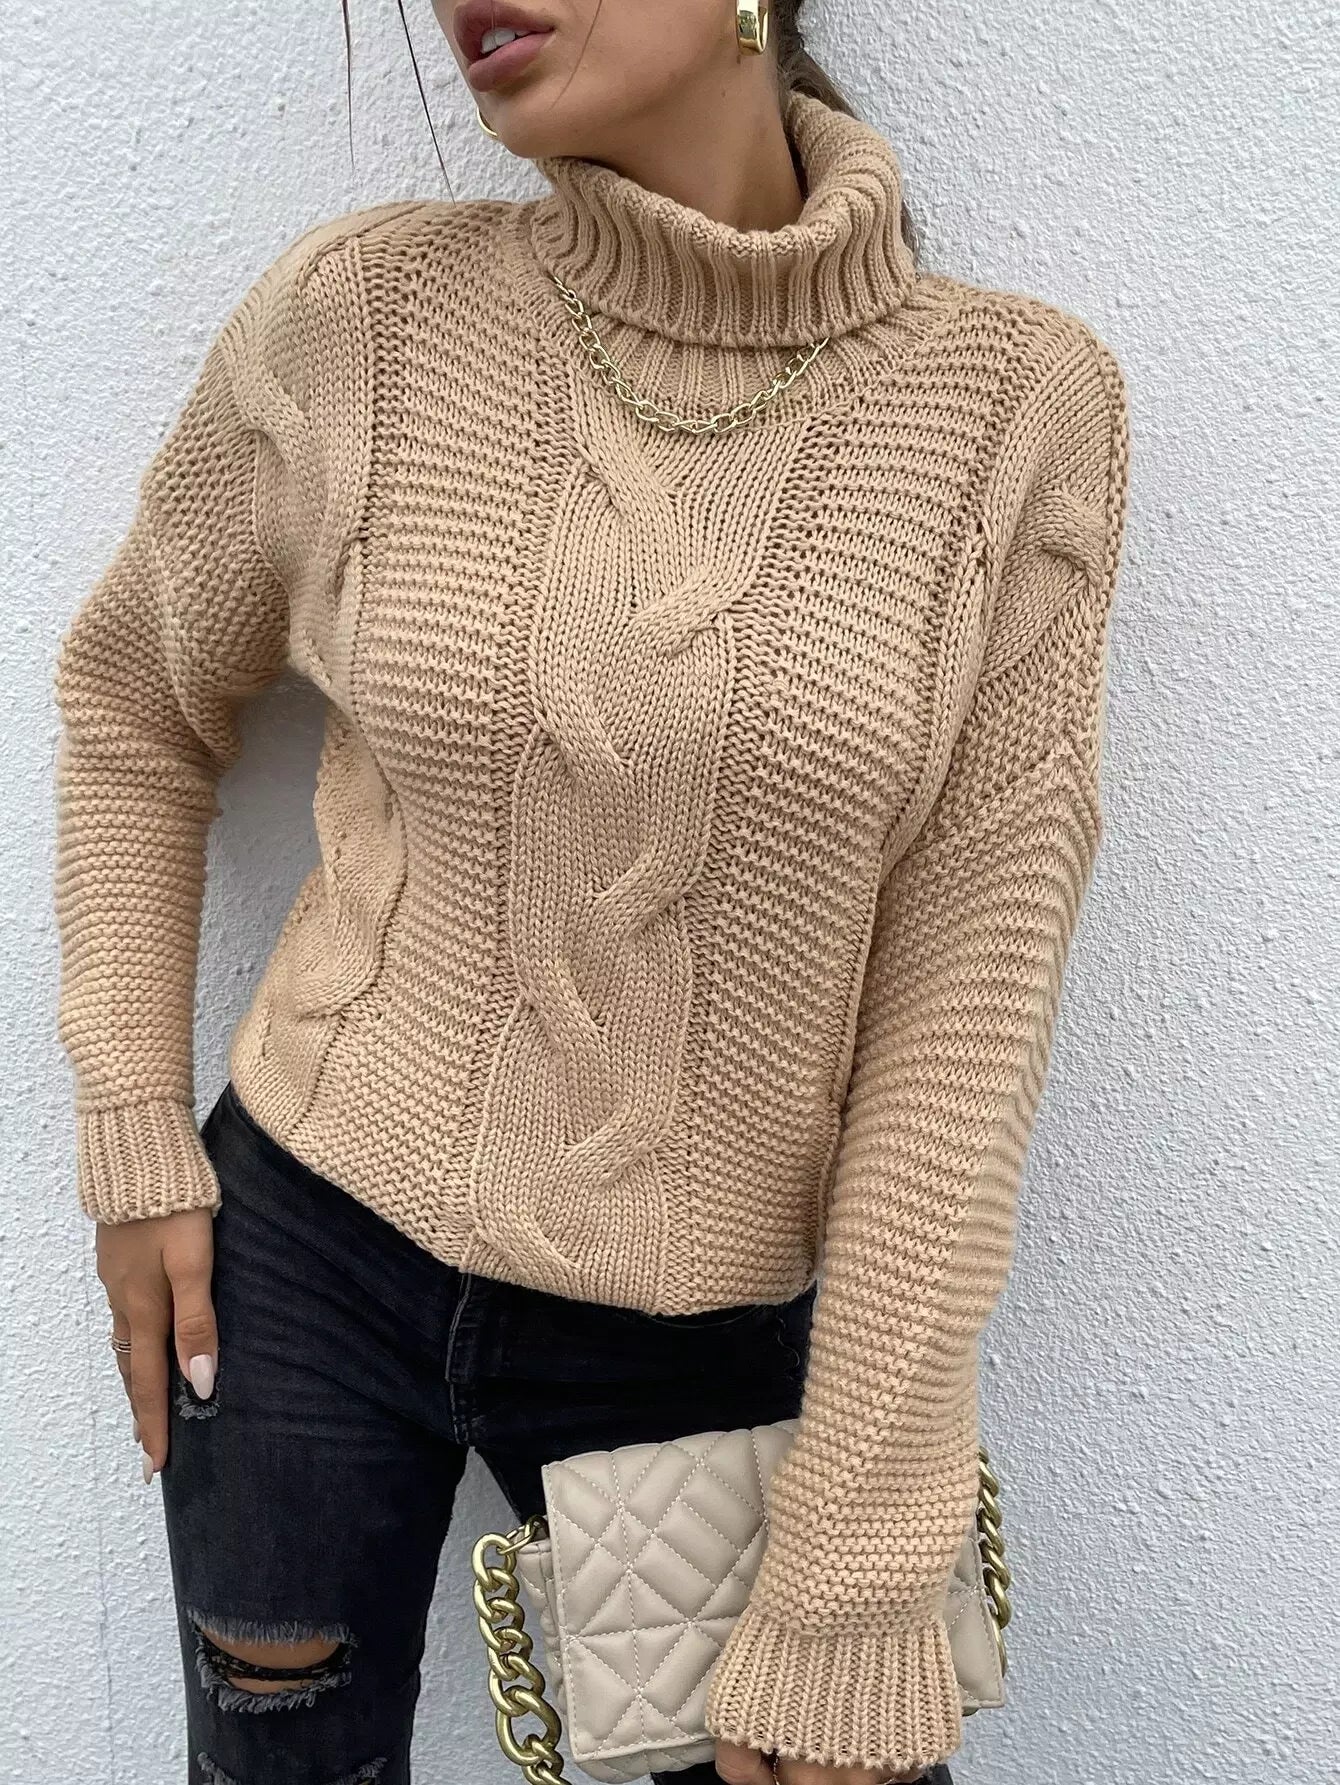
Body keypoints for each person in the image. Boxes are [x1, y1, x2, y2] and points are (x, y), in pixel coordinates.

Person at [50, 3, 1132, 1783]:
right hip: (299, 1261)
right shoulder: (363, 313)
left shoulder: (1014, 411)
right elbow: (133, 701)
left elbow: (964, 1024)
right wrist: (132, 1134)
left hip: (706, 1337)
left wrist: (861, 1568)